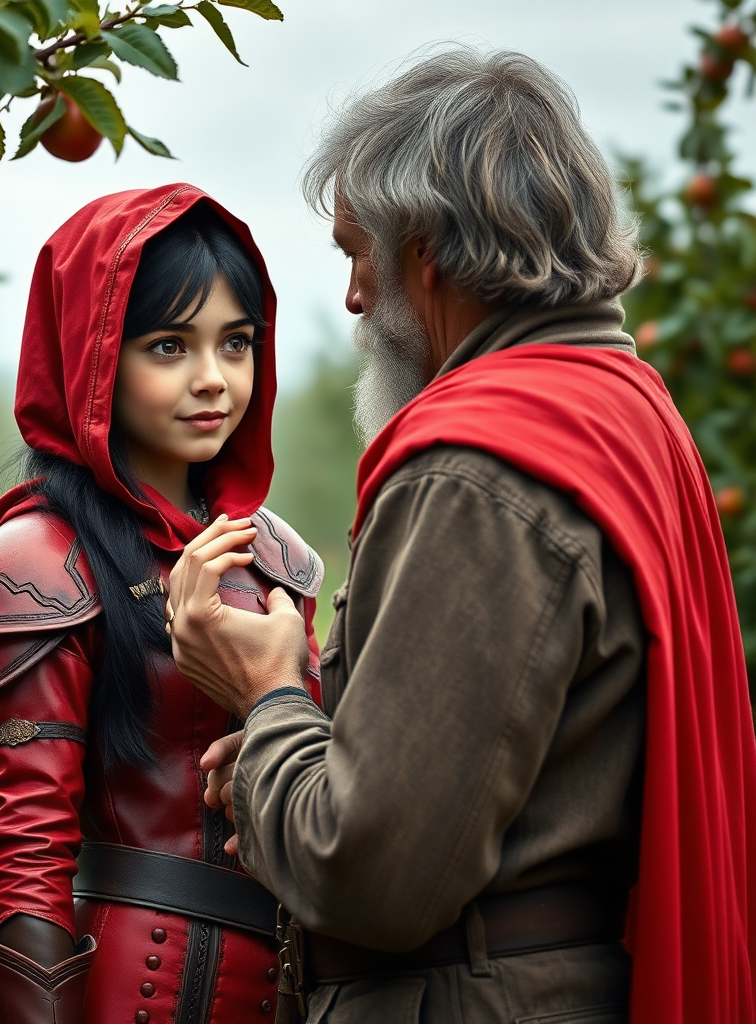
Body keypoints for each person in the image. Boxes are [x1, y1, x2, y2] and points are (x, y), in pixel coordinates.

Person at [164, 49, 756, 1024]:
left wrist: (264, 696)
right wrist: (296, 742)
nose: (354, 297)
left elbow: (374, 875)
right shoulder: (621, 410)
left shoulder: (474, 470)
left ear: (428, 252)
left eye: (359, 254)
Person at [0, 185, 324, 1024]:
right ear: (95, 354)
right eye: (170, 346)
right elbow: (29, 856)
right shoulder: (41, 565)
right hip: (136, 990)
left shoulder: (276, 559)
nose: (214, 380)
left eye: (237, 343)